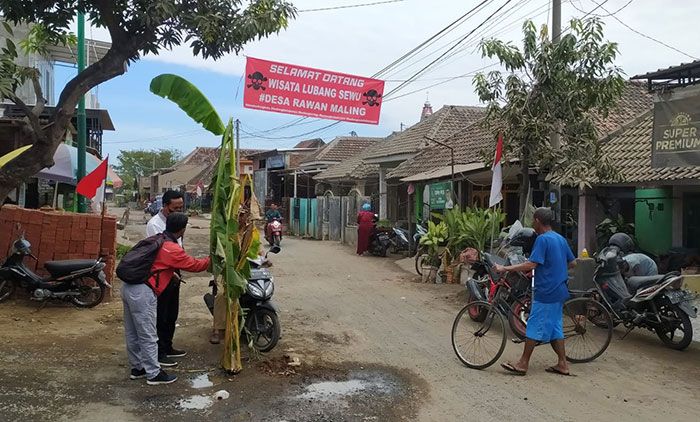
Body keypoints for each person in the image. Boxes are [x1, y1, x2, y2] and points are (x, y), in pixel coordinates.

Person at [123, 212, 210, 385]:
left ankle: (138, 368)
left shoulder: (158, 239)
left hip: (129, 287)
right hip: (143, 291)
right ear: (182, 229)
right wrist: (213, 257)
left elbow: (159, 265)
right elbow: (195, 265)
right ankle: (154, 374)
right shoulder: (172, 248)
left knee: (133, 332)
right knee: (148, 334)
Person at [494, 207, 576, 376]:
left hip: (546, 290)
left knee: (533, 326)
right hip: (560, 290)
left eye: (533, 220)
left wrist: (504, 268)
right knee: (555, 328)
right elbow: (573, 263)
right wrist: (556, 269)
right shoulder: (560, 239)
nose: (532, 223)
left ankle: (523, 363)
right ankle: (562, 364)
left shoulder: (542, 240)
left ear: (538, 221)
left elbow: (531, 264)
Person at [145, 190, 185, 367]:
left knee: (172, 313)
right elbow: (157, 253)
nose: (177, 211)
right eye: (174, 208)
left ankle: (168, 346)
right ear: (165, 206)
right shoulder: (155, 225)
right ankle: (159, 352)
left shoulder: (176, 222)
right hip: (162, 274)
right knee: (161, 314)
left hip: (175, 271)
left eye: (181, 208)